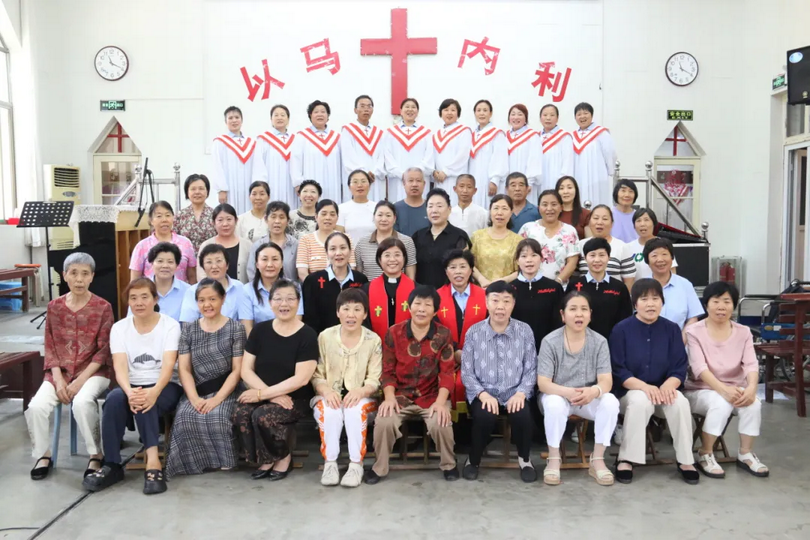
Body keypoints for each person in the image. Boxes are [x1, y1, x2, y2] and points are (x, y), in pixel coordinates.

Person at [83, 278, 183, 495]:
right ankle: (112, 464)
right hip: (131, 385)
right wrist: (129, 392)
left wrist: (154, 391)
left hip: (165, 385)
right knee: (114, 399)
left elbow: (168, 365)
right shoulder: (120, 328)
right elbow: (120, 367)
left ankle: (153, 462)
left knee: (147, 398)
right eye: (133, 298)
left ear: (155, 299)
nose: (139, 302)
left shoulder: (170, 325)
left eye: (145, 297)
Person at [26, 253, 113, 481]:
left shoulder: (103, 307)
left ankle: (95, 454)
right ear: (64, 276)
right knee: (36, 406)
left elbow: (104, 350)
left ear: (92, 277)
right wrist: (59, 378)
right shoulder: (54, 307)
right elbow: (50, 346)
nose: (79, 279)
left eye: (85, 274)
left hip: (94, 372)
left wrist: (79, 382)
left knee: (82, 402)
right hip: (59, 373)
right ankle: (43, 454)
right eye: (73, 273)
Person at [366, 286, 459, 484]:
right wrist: (389, 398)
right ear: (409, 307)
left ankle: (449, 464)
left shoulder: (443, 334)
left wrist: (441, 402)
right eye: (417, 303)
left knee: (441, 421)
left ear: (435, 311)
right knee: (383, 421)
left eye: (427, 305)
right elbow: (388, 371)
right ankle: (379, 468)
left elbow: (447, 372)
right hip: (400, 396)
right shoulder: (394, 332)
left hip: (432, 395)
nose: (421, 309)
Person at [609, 278, 698, 485]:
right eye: (644, 299)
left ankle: (686, 461)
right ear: (635, 303)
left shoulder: (672, 329)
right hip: (630, 392)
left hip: (664, 390)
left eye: (655, 298)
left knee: (680, 402)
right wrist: (644, 387)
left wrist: (670, 384)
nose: (651, 303)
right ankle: (626, 459)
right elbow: (618, 369)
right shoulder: (621, 330)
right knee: (640, 400)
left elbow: (679, 365)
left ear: (662, 302)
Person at [232, 279, 318, 481]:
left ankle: (283, 456)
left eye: (290, 299)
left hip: (296, 398)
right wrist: (269, 395)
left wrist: (264, 395)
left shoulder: (307, 334)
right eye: (278, 299)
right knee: (240, 412)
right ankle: (266, 457)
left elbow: (302, 379)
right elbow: (246, 369)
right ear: (270, 303)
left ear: (298, 302)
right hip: (266, 394)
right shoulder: (260, 331)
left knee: (262, 415)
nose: (284, 304)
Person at [685, 282, 768, 479]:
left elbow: (750, 364)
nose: (721, 306)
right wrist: (723, 390)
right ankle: (705, 453)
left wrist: (751, 388)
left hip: (735, 388)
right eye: (716, 301)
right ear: (707, 305)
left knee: (753, 404)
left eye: (726, 301)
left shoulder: (743, 332)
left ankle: (745, 453)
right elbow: (699, 368)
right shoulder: (694, 331)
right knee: (720, 403)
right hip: (700, 390)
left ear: (733, 305)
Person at [537, 291, 619, 486]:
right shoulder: (550, 341)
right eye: (573, 309)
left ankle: (597, 459)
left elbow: (606, 381)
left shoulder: (599, 342)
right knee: (555, 404)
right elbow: (543, 383)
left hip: (587, 398)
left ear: (590, 314)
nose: (579, 314)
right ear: (563, 315)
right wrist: (568, 392)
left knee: (610, 401)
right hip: (558, 396)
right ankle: (554, 458)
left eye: (584, 309)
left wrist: (593, 392)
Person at [165, 279, 245, 478]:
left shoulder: (236, 329)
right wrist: (194, 398)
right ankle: (190, 463)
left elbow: (237, 370)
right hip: (197, 388)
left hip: (227, 389)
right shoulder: (189, 330)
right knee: (185, 417)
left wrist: (217, 399)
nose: (207, 304)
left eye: (212, 299)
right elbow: (184, 368)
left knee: (218, 417)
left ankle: (224, 462)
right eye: (201, 300)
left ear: (223, 299)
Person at [461, 281, 537, 482]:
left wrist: (521, 393)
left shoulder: (525, 331)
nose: (500, 306)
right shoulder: (474, 332)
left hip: (515, 391)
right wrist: (483, 394)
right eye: (495, 300)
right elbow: (467, 372)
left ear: (513, 304)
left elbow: (531, 369)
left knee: (523, 416)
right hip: (484, 392)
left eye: (506, 301)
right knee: (484, 416)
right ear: (486, 303)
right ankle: (473, 459)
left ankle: (525, 460)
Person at [312, 289, 382, 487]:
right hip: (327, 395)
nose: (351, 315)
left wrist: (361, 391)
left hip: (364, 399)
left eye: (357, 309)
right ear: (337, 312)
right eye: (346, 309)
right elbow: (316, 375)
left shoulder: (373, 340)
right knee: (330, 409)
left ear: (365, 314)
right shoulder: (325, 337)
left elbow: (375, 379)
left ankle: (356, 464)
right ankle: (330, 463)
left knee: (354, 409)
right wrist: (326, 391)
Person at [436, 249, 488, 411]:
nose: (458, 271)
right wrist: (455, 351)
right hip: (444, 360)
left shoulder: (485, 296)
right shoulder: (436, 297)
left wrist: (468, 354)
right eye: (452, 267)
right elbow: (434, 330)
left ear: (471, 270)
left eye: (462, 266)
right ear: (446, 271)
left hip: (480, 359)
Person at [302, 232, 368, 335]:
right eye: (333, 249)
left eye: (343, 248)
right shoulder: (313, 281)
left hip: (354, 338)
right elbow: (309, 318)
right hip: (322, 340)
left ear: (350, 251)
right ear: (327, 253)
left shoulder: (360, 279)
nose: (338, 253)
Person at [566, 238, 632, 340]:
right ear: (585, 258)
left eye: (602, 255)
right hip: (579, 341)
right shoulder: (574, 285)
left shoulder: (619, 287)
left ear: (608, 258)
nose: (597, 260)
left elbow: (625, 318)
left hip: (612, 341)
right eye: (592, 255)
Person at [510, 238, 564, 351]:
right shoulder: (509, 289)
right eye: (524, 256)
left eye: (534, 255)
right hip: (515, 351)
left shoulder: (554, 288)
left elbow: (559, 323)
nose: (529, 260)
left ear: (541, 259)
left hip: (548, 350)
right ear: (517, 261)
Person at [412, 188, 471, 289]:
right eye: (430, 206)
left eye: (439, 206)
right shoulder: (418, 236)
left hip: (448, 294)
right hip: (421, 295)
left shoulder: (459, 236)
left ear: (449, 209)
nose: (434, 210)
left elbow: (463, 267)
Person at [241, 242, 303, 336]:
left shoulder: (294, 287)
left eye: (275, 259)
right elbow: (247, 326)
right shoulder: (247, 290)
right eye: (264, 259)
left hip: (290, 340)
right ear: (257, 264)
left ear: (282, 263)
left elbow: (297, 320)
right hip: (259, 344)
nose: (270, 264)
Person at [517, 190, 579, 284]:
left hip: (559, 287)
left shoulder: (569, 231)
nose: (549, 208)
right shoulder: (527, 228)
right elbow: (518, 258)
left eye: (554, 204)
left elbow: (572, 262)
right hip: (529, 285)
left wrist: (557, 283)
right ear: (538, 208)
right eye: (545, 205)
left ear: (561, 207)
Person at [644, 237, 703, 332]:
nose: (660, 259)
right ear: (647, 260)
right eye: (654, 256)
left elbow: (693, 318)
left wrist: (679, 342)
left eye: (664, 254)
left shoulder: (685, 285)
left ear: (672, 258)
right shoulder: (641, 286)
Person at [130, 201, 196, 284]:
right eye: (159, 216)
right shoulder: (142, 246)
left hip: (180, 294)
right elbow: (135, 280)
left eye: (168, 215)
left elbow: (192, 275)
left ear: (173, 218)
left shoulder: (185, 243)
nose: (164, 220)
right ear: (151, 220)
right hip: (152, 294)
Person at [180, 244, 249, 323]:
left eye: (219, 261)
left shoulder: (239, 287)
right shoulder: (193, 291)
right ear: (203, 267)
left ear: (227, 265)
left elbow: (245, 320)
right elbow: (187, 324)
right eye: (209, 262)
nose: (214, 266)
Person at [363, 237, 416, 340]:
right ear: (379, 259)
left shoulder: (416, 290)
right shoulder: (366, 290)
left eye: (397, 255)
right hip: (376, 349)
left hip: (408, 349)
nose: (392, 260)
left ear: (404, 258)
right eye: (387, 255)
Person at [291, 100, 343, 203]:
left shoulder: (337, 137)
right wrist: (298, 183)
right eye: (316, 112)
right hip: (310, 184)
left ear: (328, 116)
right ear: (310, 115)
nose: (320, 114)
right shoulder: (302, 137)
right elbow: (295, 161)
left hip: (333, 183)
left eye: (323, 112)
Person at [575, 205, 636, 290]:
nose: (600, 222)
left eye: (605, 219)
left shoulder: (622, 247)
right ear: (589, 222)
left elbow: (629, 281)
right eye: (596, 218)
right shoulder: (579, 245)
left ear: (612, 223)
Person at [383, 97, 432, 202]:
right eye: (407, 107)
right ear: (400, 111)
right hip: (397, 180)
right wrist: (402, 175)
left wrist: (415, 176)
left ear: (417, 112)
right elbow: (388, 157)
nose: (410, 109)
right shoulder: (390, 133)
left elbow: (429, 157)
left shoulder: (426, 133)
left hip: (419, 181)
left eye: (413, 107)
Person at [355, 201, 417, 281]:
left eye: (388, 215)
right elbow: (359, 273)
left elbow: (410, 275)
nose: (384, 219)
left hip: (400, 290)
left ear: (394, 219)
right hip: (369, 291)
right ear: (374, 218)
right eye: (380, 215)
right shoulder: (362, 243)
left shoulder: (406, 241)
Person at [296, 199, 356, 279]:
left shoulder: (346, 238)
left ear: (337, 218)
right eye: (324, 214)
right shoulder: (306, 240)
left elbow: (352, 267)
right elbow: (302, 272)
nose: (328, 218)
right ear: (316, 216)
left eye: (332, 214)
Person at [212, 106, 256, 214]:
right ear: (225, 121)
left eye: (237, 117)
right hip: (229, 188)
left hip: (248, 186)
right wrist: (222, 189)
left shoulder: (251, 142)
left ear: (242, 120)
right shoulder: (220, 142)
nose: (234, 120)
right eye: (230, 118)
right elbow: (217, 166)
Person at [470, 194, 522, 287]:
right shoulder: (477, 236)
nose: (500, 213)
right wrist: (481, 280)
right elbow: (468, 263)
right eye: (496, 208)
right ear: (490, 211)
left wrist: (503, 281)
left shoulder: (518, 240)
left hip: (507, 291)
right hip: (480, 289)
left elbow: (521, 269)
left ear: (511, 212)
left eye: (504, 209)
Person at [340, 95, 385, 201]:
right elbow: (349, 156)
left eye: (369, 106)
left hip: (375, 178)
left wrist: (375, 172)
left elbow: (382, 156)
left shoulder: (379, 132)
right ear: (355, 110)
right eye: (362, 106)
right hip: (357, 178)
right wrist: (364, 174)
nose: (366, 109)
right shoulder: (348, 131)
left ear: (372, 110)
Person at [572, 102, 616, 207]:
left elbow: (610, 153)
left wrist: (610, 170)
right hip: (578, 175)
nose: (582, 116)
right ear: (575, 117)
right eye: (579, 114)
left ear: (591, 115)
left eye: (585, 113)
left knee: (598, 201)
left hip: (597, 175)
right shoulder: (572, 136)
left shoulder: (601, 133)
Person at [428, 98, 471, 206]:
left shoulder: (464, 131)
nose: (449, 113)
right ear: (441, 113)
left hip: (454, 177)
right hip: (439, 179)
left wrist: (446, 171)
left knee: (454, 206)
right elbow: (431, 156)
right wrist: (434, 172)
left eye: (453, 110)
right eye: (446, 110)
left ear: (458, 113)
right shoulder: (436, 133)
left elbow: (463, 155)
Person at [253, 104, 296, 209]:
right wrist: (262, 187)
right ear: (271, 119)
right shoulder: (263, 139)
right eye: (276, 115)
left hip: (291, 184)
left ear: (288, 119)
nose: (279, 117)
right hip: (272, 183)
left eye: (283, 115)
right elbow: (259, 164)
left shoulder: (296, 139)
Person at [246, 201, 299, 283]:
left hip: (289, 293)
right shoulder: (258, 245)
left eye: (281, 217)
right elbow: (252, 273)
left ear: (288, 220)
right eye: (273, 217)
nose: (277, 221)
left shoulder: (295, 245)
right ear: (266, 219)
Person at [198, 204, 252, 284]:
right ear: (213, 223)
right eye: (220, 220)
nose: (225, 224)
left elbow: (252, 273)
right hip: (212, 294)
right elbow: (201, 274)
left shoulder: (248, 245)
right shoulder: (206, 245)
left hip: (241, 293)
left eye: (229, 219)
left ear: (236, 221)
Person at [467, 99, 508, 208]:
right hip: (474, 178)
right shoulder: (472, 134)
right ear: (474, 113)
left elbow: (500, 158)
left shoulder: (497, 133)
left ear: (490, 113)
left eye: (485, 110)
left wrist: (495, 180)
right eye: (478, 110)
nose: (481, 113)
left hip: (488, 180)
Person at [143, 242, 191, 321]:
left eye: (170, 262)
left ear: (177, 265)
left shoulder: (188, 291)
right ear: (152, 263)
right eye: (160, 261)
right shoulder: (141, 289)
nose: (165, 265)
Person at [626, 208, 679, 279]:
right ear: (634, 226)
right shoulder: (628, 247)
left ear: (654, 223)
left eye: (646, 220)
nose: (642, 224)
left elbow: (672, 273)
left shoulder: (664, 245)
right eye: (638, 220)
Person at [174, 173, 217, 253]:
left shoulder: (215, 214)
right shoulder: (180, 215)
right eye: (193, 189)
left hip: (210, 260)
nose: (197, 192)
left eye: (201, 188)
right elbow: (174, 239)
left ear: (207, 191)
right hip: (185, 261)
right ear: (187, 192)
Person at [505, 104, 543, 192]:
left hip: (526, 184)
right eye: (513, 114)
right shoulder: (505, 136)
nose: (516, 117)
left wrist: (529, 182)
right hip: (508, 184)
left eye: (520, 114)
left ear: (525, 119)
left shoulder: (532, 136)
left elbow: (535, 159)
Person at [539, 104, 574, 190]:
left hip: (556, 181)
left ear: (557, 118)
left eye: (552, 115)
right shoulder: (536, 137)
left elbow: (567, 162)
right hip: (539, 183)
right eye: (545, 115)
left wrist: (563, 183)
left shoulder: (564, 137)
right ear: (540, 118)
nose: (548, 118)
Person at [337, 170, 377, 239]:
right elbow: (339, 236)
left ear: (369, 186)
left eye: (363, 181)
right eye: (355, 182)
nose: (359, 185)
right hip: (350, 249)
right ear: (349, 187)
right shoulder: (341, 208)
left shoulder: (377, 207)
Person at [393, 167, 430, 236]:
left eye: (418, 180)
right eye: (410, 180)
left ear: (424, 184)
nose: (414, 184)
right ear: (404, 183)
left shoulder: (431, 207)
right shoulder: (395, 208)